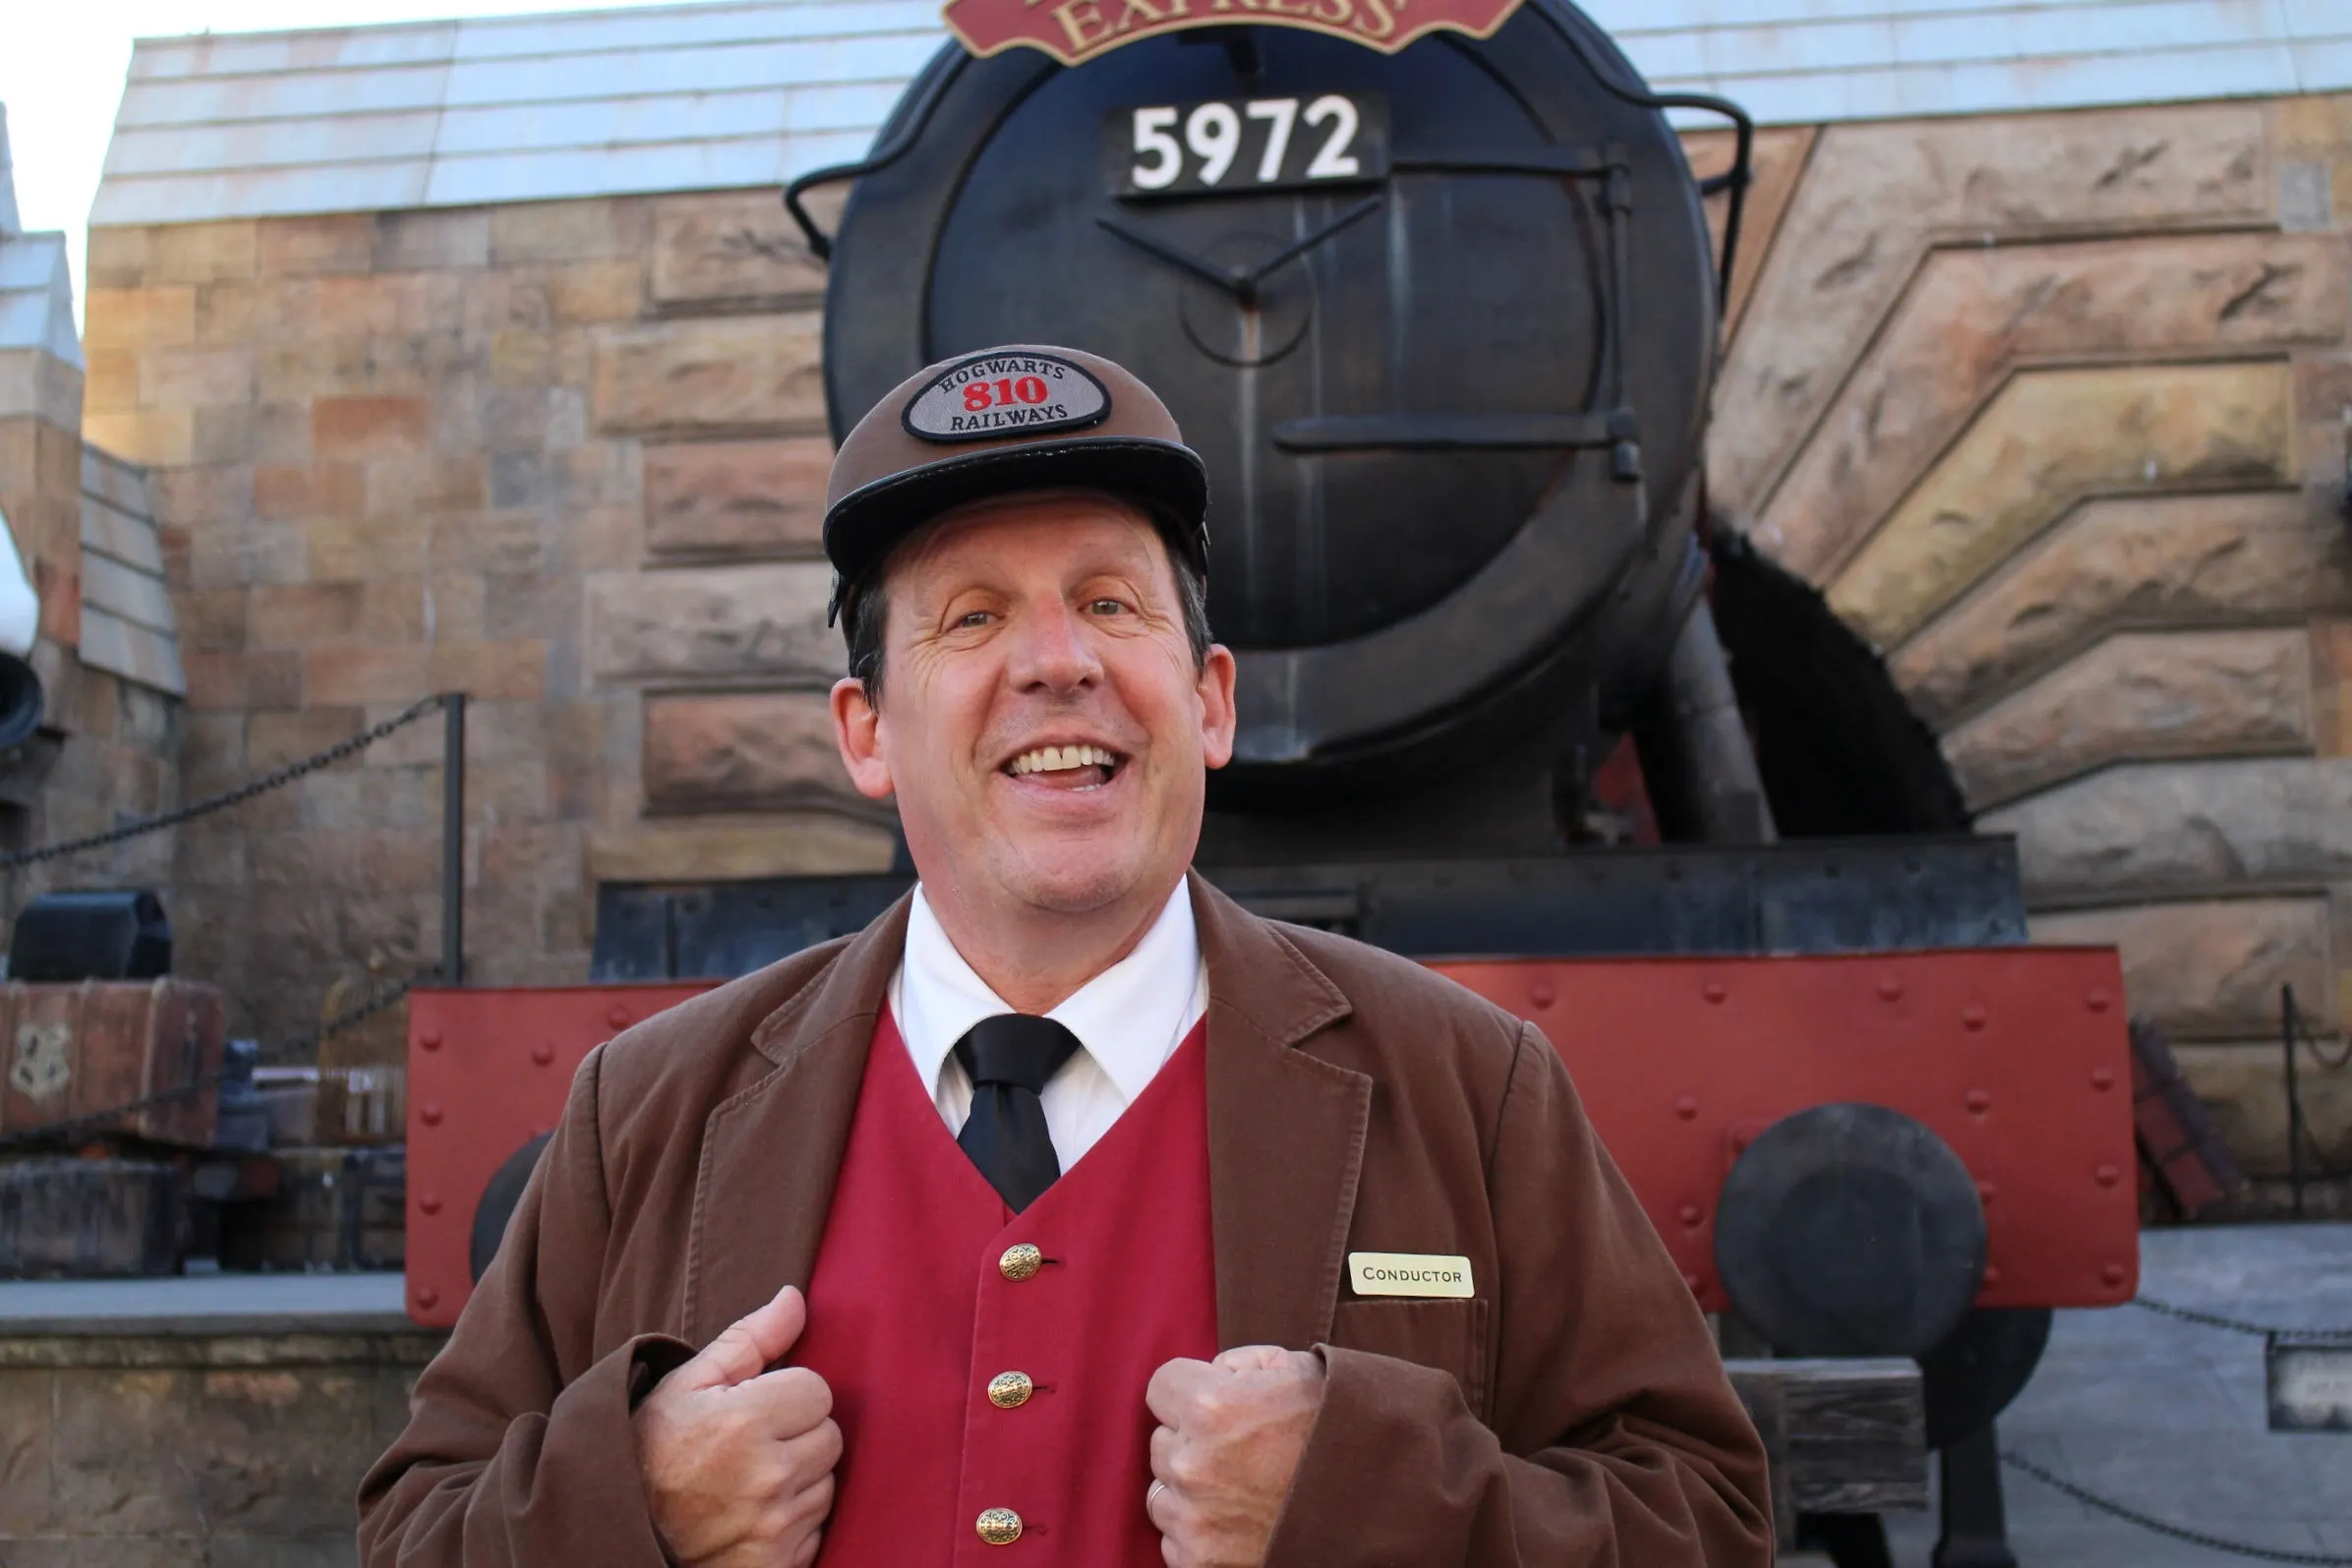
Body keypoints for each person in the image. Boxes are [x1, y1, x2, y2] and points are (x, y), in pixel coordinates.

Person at [357, 344, 1772, 1567]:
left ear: (1208, 701)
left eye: (1109, 601)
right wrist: (638, 1504)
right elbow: (418, 1522)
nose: (1056, 661)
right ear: (865, 730)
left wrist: (1377, 1501)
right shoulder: (646, 1106)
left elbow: (1708, 1515)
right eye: (971, 617)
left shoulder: (1469, 1086)